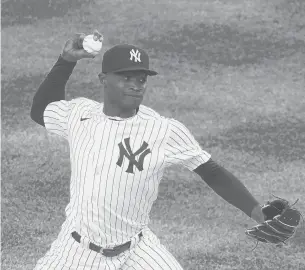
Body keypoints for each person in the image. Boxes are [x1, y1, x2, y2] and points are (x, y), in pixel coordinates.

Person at [30, 30, 265, 270]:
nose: (135, 86)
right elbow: (41, 110)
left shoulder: (164, 130)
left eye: (141, 79)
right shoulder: (80, 115)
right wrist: (66, 61)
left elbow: (211, 171)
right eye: (126, 77)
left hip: (137, 250)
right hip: (76, 252)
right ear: (103, 79)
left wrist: (257, 212)